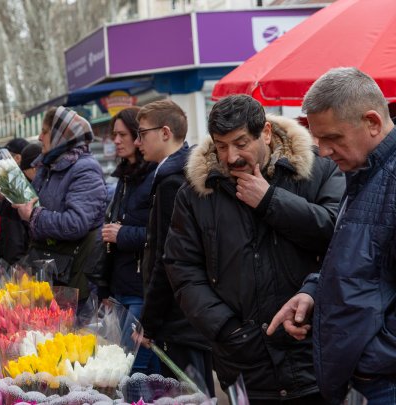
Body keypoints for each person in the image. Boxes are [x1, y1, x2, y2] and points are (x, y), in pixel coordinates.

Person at [164, 95, 344, 403]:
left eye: (241, 142)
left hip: (312, 354)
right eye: (221, 146)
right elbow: (181, 267)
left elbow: (337, 236)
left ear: (267, 134)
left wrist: (270, 201)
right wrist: (226, 329)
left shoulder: (320, 170)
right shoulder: (196, 192)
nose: (231, 156)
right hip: (244, 362)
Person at [268, 68, 396, 404]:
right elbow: (358, 259)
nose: (323, 151)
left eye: (333, 138)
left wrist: (371, 353)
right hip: (365, 378)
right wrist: (314, 292)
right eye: (318, 139)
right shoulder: (363, 172)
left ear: (372, 122)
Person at [131, 100, 213, 392]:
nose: (137, 142)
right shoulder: (178, 172)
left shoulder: (171, 180)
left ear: (165, 132)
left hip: (179, 317)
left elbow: (168, 258)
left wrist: (149, 323)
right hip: (187, 314)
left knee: (187, 394)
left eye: (142, 133)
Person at [12, 107, 108, 303]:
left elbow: (76, 223)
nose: (39, 137)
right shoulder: (49, 167)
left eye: (45, 131)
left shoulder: (85, 169)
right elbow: (34, 209)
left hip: (72, 276)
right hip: (50, 272)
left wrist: (33, 216)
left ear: (61, 136)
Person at [97, 107, 159, 375]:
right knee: (129, 363)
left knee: (134, 367)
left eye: (122, 134)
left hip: (141, 287)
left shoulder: (155, 176)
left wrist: (122, 234)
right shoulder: (123, 177)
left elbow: (159, 234)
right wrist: (105, 288)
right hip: (121, 286)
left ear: (138, 136)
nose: (117, 140)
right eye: (114, 135)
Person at [0, 138, 30, 265]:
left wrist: (16, 265)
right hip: (8, 259)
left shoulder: (22, 186)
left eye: (4, 157)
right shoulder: (13, 183)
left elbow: (17, 234)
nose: (1, 162)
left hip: (17, 263)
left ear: (18, 158)